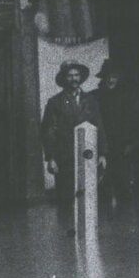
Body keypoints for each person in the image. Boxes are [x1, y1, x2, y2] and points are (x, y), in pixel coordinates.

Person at [40, 60, 97, 228]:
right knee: (65, 201)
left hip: (87, 157)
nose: (74, 79)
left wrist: (102, 154)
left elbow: (99, 125)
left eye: (76, 75)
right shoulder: (55, 103)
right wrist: (51, 157)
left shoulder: (90, 100)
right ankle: (66, 238)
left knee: (88, 200)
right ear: (64, 79)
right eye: (70, 75)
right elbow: (48, 131)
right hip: (64, 158)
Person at [88, 60, 139, 207]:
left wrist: (131, 144)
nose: (111, 80)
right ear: (103, 78)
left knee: (123, 186)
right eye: (108, 76)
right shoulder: (94, 97)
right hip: (101, 149)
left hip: (122, 149)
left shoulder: (129, 98)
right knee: (101, 187)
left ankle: (124, 223)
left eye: (114, 77)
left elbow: (138, 124)